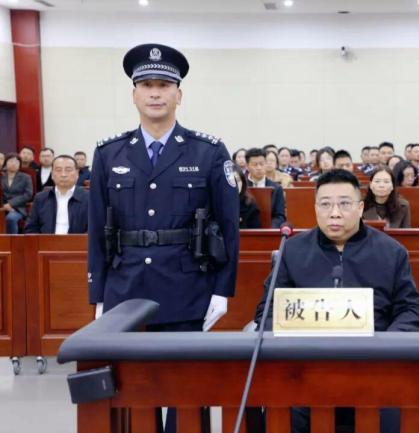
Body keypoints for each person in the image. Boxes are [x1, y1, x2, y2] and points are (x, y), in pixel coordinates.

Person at [87, 44, 240, 433]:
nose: (155, 94)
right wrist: (98, 293)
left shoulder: (208, 151)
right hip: (126, 287)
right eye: (147, 85)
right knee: (132, 389)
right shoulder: (109, 153)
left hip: (186, 286)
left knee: (186, 391)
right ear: (134, 94)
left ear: (179, 94)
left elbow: (229, 225)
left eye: (164, 86)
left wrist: (222, 290)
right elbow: (97, 228)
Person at [253, 169, 419, 433]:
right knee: (283, 411)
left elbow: (411, 310)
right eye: (325, 204)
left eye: (344, 204)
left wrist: (385, 349)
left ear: (360, 208)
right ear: (315, 208)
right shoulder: (292, 251)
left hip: (375, 369)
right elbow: (267, 311)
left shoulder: (392, 252)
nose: (334, 213)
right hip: (304, 370)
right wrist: (292, 353)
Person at [25, 155, 89, 234]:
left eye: (68, 170)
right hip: (46, 241)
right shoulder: (41, 198)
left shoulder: (89, 198)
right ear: (52, 174)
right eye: (58, 170)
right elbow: (31, 227)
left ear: (77, 173)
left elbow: (94, 228)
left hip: (79, 241)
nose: (63, 174)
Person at [246, 147, 287, 227]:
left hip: (269, 230)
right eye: (255, 165)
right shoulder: (242, 187)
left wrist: (269, 229)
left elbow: (280, 216)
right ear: (247, 166)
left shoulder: (276, 188)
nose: (259, 168)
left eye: (262, 164)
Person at [1, 153, 33, 234]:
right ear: (6, 163)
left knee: (11, 218)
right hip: (2, 207)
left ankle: (12, 240)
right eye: (11, 161)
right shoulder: (1, 176)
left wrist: (10, 204)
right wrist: (3, 206)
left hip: (17, 208)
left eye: (17, 162)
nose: (14, 163)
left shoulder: (26, 177)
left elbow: (28, 194)